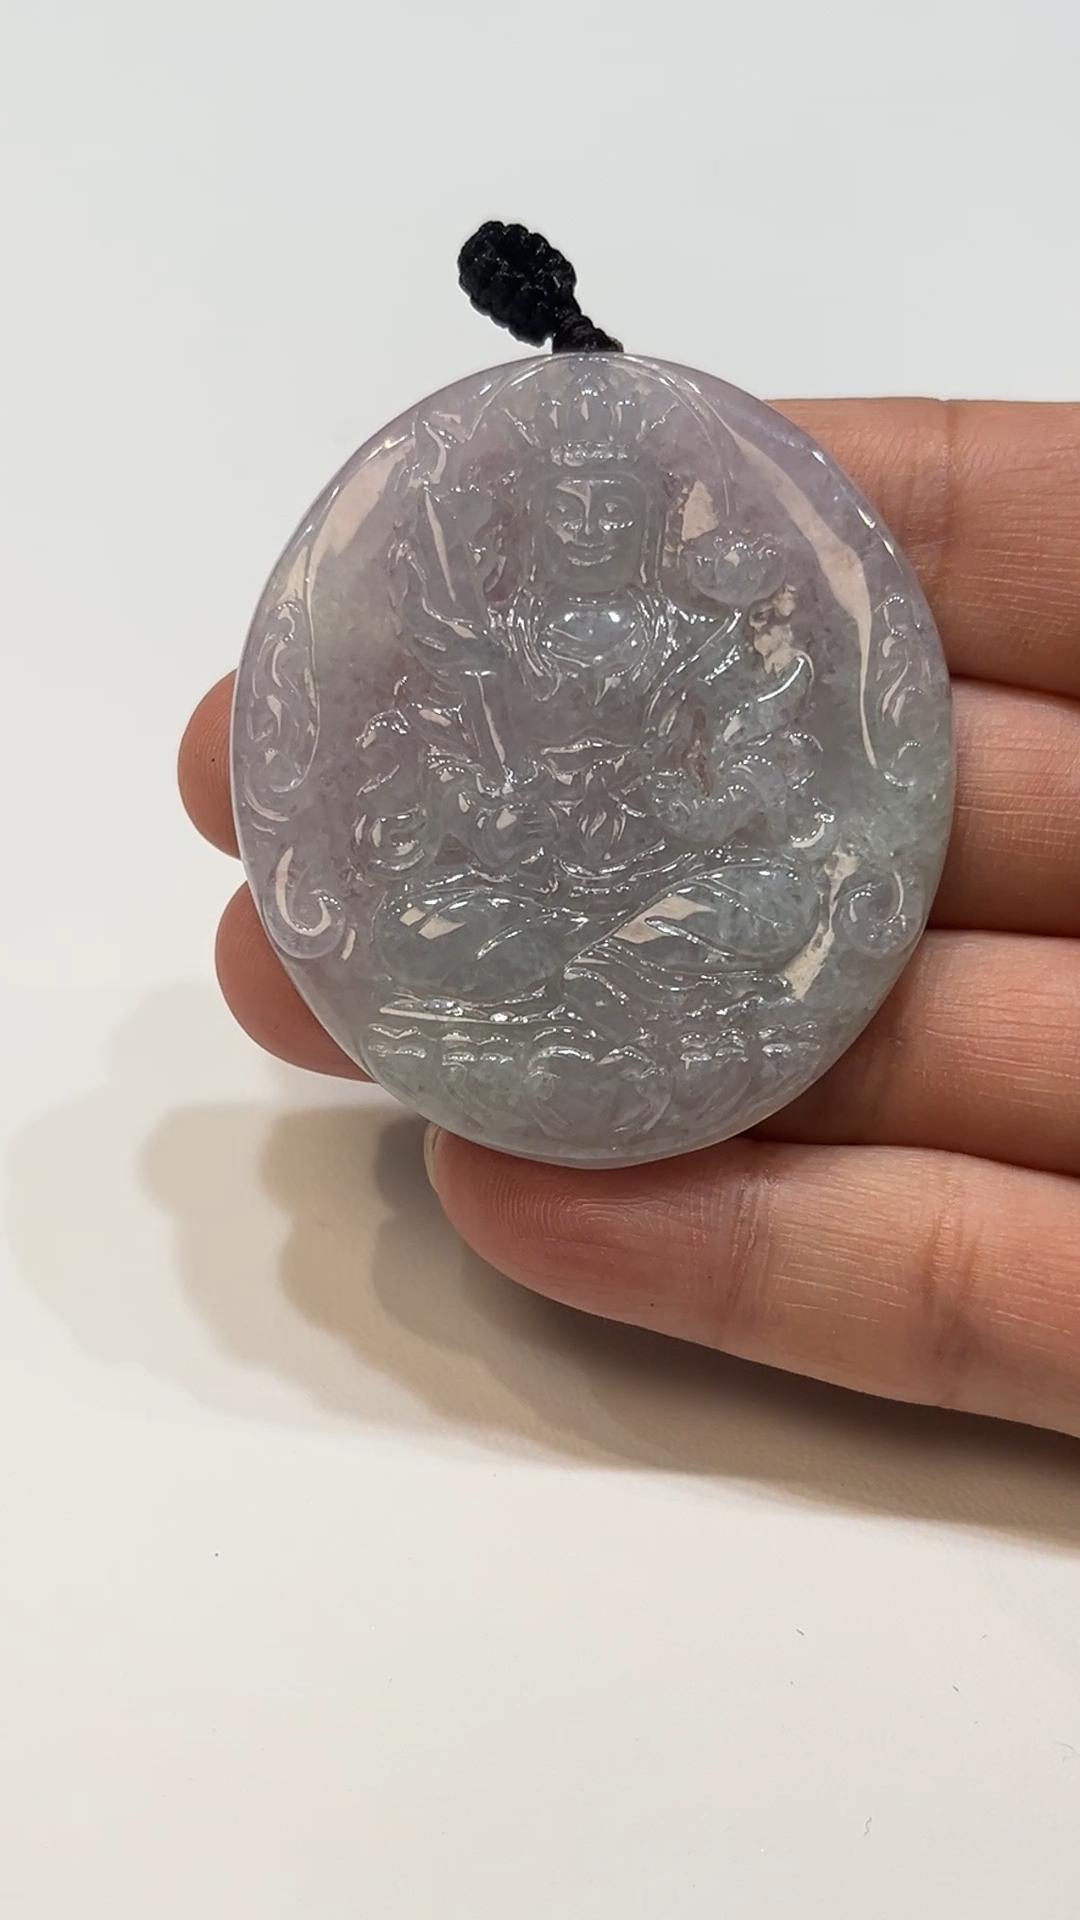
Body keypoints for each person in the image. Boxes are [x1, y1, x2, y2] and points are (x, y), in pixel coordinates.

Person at [178, 397, 1080, 1439]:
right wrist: (482, 807)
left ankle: (594, 966)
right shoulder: (486, 645)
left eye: (616, 507)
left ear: (653, 523)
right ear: (535, 518)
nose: (592, 528)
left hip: (666, 879)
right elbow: (406, 807)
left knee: (781, 898)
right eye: (569, 507)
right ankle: (617, 967)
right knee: (406, 928)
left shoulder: (702, 642)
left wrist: (693, 803)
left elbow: (764, 786)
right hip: (524, 893)